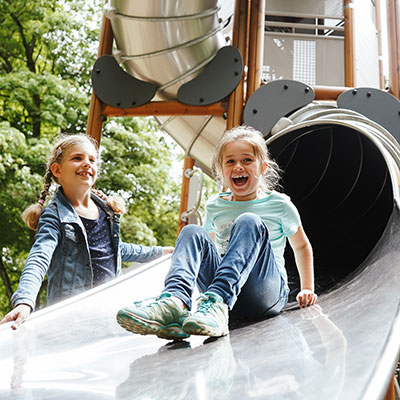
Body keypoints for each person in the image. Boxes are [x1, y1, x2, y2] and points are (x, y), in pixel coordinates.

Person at [116, 125, 317, 340]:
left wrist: (307, 287)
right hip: (224, 300)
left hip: (265, 294)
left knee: (249, 221)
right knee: (192, 231)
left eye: (247, 160)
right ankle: (175, 302)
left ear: (263, 168)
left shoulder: (279, 205)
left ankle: (218, 299)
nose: (238, 166)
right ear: (221, 170)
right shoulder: (215, 206)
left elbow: (301, 246)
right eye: (230, 161)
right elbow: (207, 252)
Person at [0, 134, 173, 330]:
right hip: (72, 316)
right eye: (77, 158)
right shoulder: (54, 215)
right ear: (57, 170)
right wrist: (25, 301)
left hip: (109, 310)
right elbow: (39, 257)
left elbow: (117, 250)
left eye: (92, 160)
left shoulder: (106, 211)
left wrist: (161, 252)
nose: (86, 164)